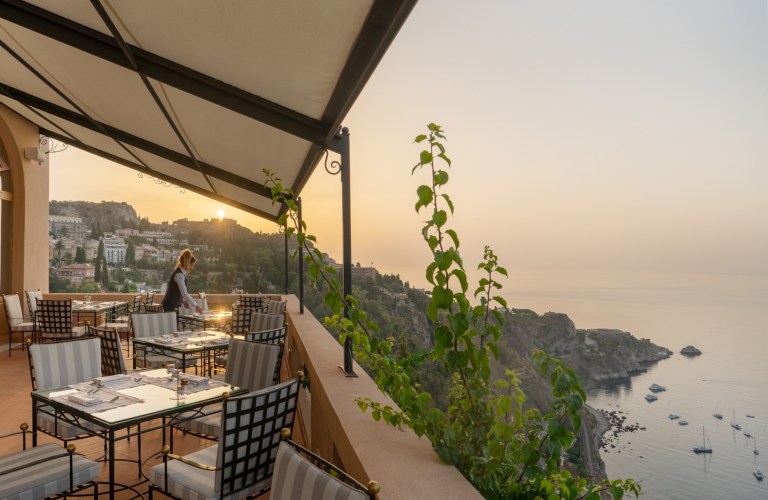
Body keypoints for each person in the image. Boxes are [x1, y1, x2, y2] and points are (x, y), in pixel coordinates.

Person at [161, 249, 204, 314]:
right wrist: (197, 306)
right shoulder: (179, 275)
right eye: (191, 265)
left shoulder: (179, 273)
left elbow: (177, 292)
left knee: (176, 323)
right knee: (174, 324)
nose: (191, 267)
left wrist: (183, 301)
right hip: (170, 306)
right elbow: (184, 293)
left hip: (171, 305)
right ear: (187, 263)